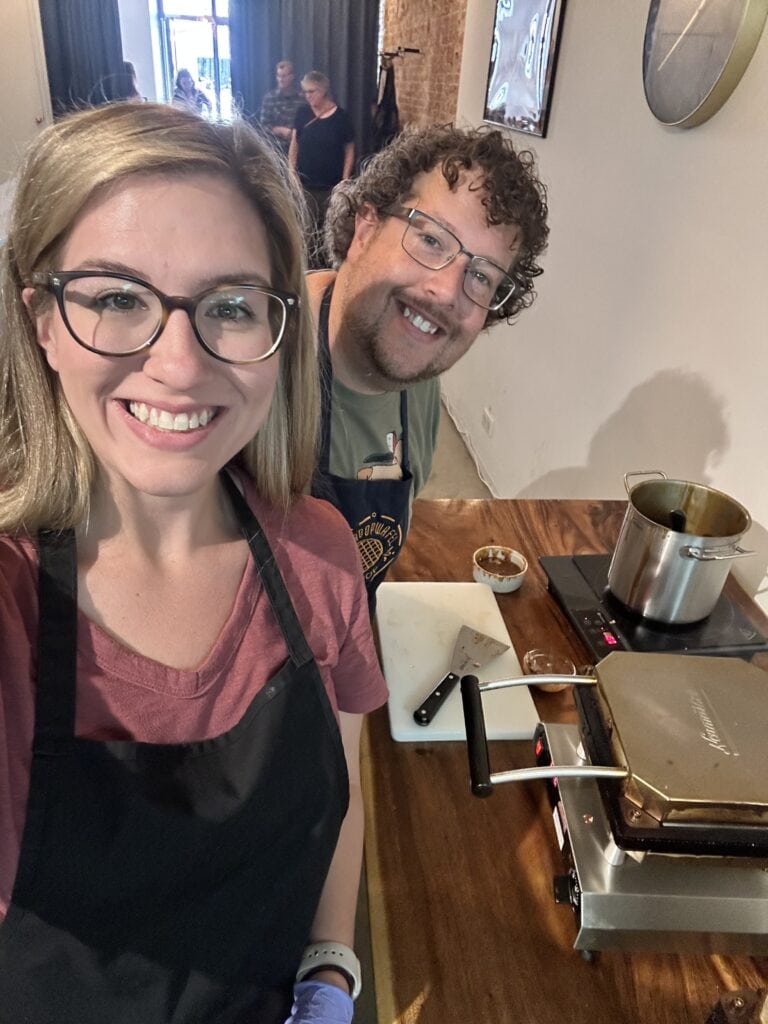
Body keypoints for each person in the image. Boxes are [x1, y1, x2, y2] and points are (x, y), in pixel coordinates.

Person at [0, 101, 387, 1024]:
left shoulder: (320, 553)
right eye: (116, 298)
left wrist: (331, 969)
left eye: (231, 307)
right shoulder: (12, 598)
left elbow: (340, 799)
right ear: (42, 320)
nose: (178, 365)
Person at [308, 123, 549, 599]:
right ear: (365, 228)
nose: (446, 291)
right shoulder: (255, 362)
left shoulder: (416, 384)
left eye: (481, 276)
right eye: (432, 240)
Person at [289, 72, 354, 269]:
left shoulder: (341, 117)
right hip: (305, 183)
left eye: (312, 91)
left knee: (330, 230)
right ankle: (308, 271)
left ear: (324, 90)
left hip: (331, 185)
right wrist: (291, 170)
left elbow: (349, 149)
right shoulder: (302, 113)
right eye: (305, 92)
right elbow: (294, 144)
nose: (308, 96)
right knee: (306, 230)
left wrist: (345, 179)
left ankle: (328, 269)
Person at [260, 60, 304, 156]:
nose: (280, 79)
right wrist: (281, 131)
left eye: (284, 76)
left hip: (299, 149)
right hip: (275, 149)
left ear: (292, 76)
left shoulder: (302, 98)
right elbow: (264, 126)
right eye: (278, 76)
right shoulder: (269, 98)